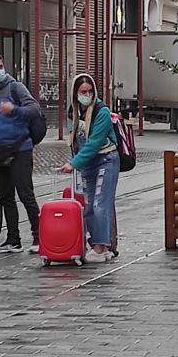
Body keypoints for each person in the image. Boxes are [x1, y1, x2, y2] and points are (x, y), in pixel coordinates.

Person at [0, 53, 41, 254]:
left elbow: (34, 109)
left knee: (26, 194)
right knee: (5, 196)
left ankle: (39, 237)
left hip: (21, 147)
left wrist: (14, 109)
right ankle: (13, 240)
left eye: (0, 66)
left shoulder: (15, 87)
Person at [60, 74, 119, 263]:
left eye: (90, 91)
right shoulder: (74, 111)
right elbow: (75, 139)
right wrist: (76, 160)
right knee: (89, 205)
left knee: (100, 204)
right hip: (88, 164)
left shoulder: (101, 112)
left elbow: (94, 143)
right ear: (75, 94)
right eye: (83, 92)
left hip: (106, 159)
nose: (87, 95)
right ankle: (101, 244)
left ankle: (100, 247)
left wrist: (74, 163)